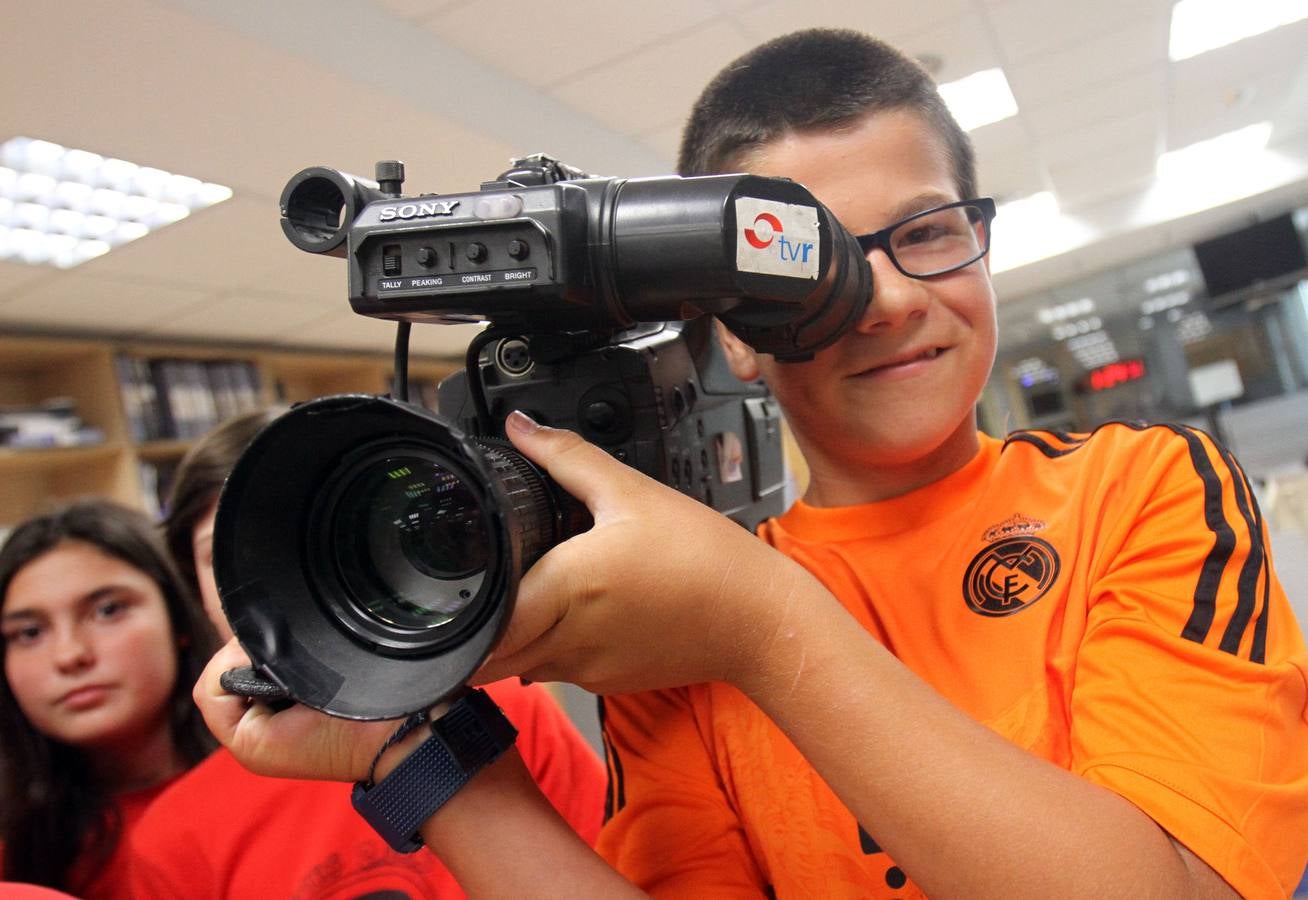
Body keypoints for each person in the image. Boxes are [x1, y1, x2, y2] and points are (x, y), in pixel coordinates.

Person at [194, 28, 1308, 898]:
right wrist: (423, 764)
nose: (888, 301)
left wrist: (764, 628)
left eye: (926, 233)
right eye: (811, 267)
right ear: (731, 329)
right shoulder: (671, 620)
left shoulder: (1144, 483)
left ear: (982, 241)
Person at [129, 408, 608, 897]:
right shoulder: (174, 835)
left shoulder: (509, 713)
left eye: (312, 545)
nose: (284, 579)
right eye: (224, 556)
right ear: (195, 591)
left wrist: (418, 743)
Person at [0, 499, 218, 898]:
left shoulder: (298, 774)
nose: (69, 656)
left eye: (108, 610)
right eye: (29, 633)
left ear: (178, 618)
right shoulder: (10, 848)